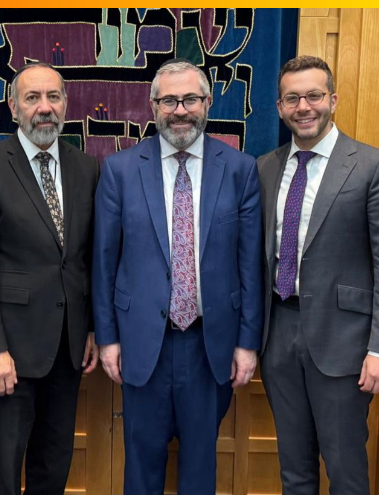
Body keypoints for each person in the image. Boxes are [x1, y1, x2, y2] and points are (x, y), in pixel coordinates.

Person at [92, 59, 263, 494]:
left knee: (201, 466)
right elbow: (104, 262)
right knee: (141, 466)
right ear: (153, 106)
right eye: (169, 101)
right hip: (140, 343)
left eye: (190, 99)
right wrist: (107, 338)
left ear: (208, 102)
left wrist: (247, 343)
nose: (180, 110)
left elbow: (250, 266)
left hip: (210, 346)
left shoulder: (240, 169)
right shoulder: (119, 170)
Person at [256, 55, 379, 495]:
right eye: (292, 98)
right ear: (280, 107)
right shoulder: (265, 167)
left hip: (346, 343)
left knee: (345, 470)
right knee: (293, 467)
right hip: (278, 334)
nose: (304, 106)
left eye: (314, 95)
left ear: (333, 99)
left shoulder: (373, 166)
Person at [0, 62, 100, 495]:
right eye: (32, 98)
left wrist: (91, 327)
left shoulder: (87, 168)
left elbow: (86, 258)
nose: (44, 107)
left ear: (66, 104)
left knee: (53, 464)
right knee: (3, 470)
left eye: (53, 97)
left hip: (67, 348)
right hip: (9, 353)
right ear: (13, 107)